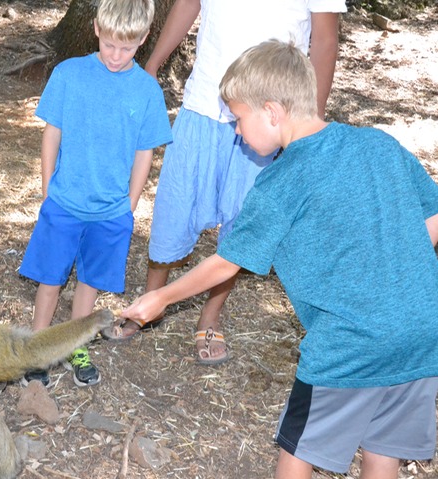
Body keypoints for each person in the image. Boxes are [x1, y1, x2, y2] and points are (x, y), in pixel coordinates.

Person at [120, 39, 438, 479]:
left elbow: (226, 262)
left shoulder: (281, 183)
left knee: (298, 448)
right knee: (383, 446)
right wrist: (385, 261)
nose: (235, 131)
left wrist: (162, 299)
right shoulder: (378, 144)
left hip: (349, 342)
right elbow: (432, 218)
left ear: (272, 112)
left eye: (238, 119)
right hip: (421, 328)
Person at [102, 0, 347, 366]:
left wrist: (309, 125)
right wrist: (153, 63)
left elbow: (325, 41)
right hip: (204, 99)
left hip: (270, 115)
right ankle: (150, 300)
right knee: (175, 203)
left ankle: (211, 316)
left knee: (241, 220)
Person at [18, 0, 173, 387]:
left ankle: (76, 346)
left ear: (143, 40)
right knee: (50, 279)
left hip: (110, 211)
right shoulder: (69, 75)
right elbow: (51, 134)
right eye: (110, 45)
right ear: (97, 31)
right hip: (65, 202)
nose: (117, 56)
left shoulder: (146, 91)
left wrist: (131, 204)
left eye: (129, 47)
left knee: (89, 283)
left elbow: (145, 152)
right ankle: (38, 347)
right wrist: (46, 189)